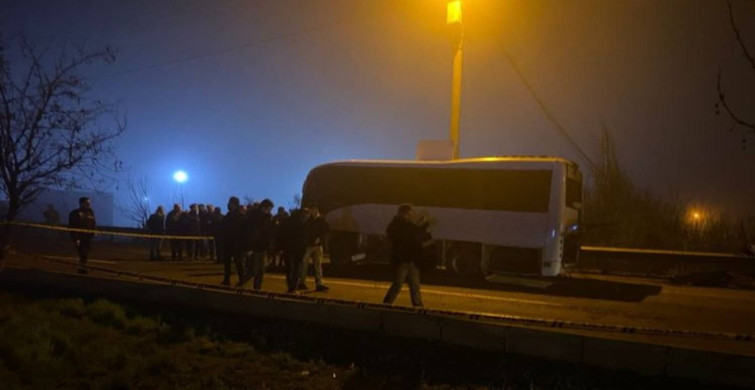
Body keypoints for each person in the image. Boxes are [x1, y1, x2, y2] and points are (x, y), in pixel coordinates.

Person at [382, 204, 424, 308]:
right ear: (402, 214)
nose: (410, 216)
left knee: (414, 286)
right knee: (398, 284)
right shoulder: (395, 226)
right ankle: (386, 304)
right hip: (401, 260)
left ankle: (418, 306)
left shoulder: (403, 225)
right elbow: (401, 239)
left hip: (410, 260)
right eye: (408, 214)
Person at [243, 198, 274, 290]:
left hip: (263, 247)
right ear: (263, 207)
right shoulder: (253, 217)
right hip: (254, 247)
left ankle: (257, 289)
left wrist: (269, 249)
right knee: (254, 270)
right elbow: (249, 233)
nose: (269, 211)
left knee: (261, 270)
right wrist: (248, 247)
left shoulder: (268, 218)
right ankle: (241, 283)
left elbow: (268, 234)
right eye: (268, 209)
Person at [280, 208, 309, 293]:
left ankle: (291, 287)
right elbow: (304, 238)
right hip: (296, 249)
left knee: (290, 269)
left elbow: (281, 234)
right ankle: (293, 287)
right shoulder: (302, 224)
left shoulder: (287, 222)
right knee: (296, 268)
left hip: (289, 248)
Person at [300, 207, 330, 291]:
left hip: (316, 245)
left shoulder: (321, 220)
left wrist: (319, 238)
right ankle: (301, 282)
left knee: (317, 265)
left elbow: (326, 230)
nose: (313, 212)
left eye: (314, 210)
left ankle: (319, 284)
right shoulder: (309, 220)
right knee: (305, 265)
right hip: (310, 245)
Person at [221, 196, 247, 286]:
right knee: (227, 262)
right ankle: (227, 279)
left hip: (236, 243)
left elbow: (244, 231)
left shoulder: (240, 216)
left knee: (238, 262)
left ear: (234, 204)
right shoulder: (229, 215)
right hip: (229, 242)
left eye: (230, 203)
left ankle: (241, 279)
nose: (228, 204)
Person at [68, 197, 96, 274]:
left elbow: (93, 223)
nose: (88, 205)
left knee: (85, 253)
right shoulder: (74, 213)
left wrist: (93, 232)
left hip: (88, 237)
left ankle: (82, 267)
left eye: (89, 203)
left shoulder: (90, 212)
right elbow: (72, 226)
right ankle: (81, 269)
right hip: (79, 236)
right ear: (81, 203)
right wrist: (75, 238)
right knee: (82, 253)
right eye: (87, 203)